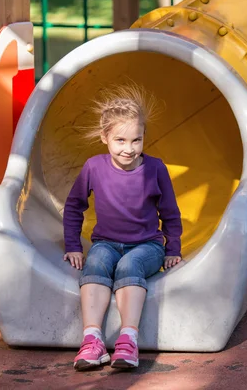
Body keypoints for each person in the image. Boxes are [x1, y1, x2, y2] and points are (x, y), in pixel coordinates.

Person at [62, 83, 183, 371]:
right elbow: (74, 206)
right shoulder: (94, 167)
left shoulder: (155, 168)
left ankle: (128, 340)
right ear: (105, 138)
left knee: (130, 266)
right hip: (106, 242)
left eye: (136, 140)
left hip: (148, 246)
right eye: (120, 140)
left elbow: (170, 213)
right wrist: (73, 245)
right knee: (96, 264)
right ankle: (92, 340)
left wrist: (172, 248)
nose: (129, 149)